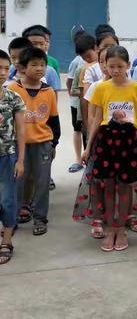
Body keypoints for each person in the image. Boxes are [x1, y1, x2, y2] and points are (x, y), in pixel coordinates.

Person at [80, 46, 137, 252]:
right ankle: (111, 227)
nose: (115, 70)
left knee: (125, 186)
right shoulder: (101, 89)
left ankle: (121, 228)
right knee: (109, 185)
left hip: (129, 142)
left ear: (128, 65)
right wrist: (88, 148)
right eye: (111, 66)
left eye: (120, 66)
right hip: (106, 141)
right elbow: (95, 119)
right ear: (105, 66)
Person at [8, 47, 60, 236]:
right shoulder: (13, 89)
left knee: (42, 182)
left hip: (42, 143)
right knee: (17, 182)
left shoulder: (49, 92)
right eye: (34, 65)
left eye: (43, 65)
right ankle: (11, 219)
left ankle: (40, 218)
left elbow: (54, 121)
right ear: (22, 67)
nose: (39, 69)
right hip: (17, 145)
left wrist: (53, 144)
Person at [0, 49, 25, 264]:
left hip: (7, 157)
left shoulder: (13, 97)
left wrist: (20, 160)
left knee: (8, 200)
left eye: (6, 68)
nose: (2, 72)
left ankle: (6, 240)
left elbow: (20, 131)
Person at [67, 31, 87, 173]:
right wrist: (73, 97)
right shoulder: (77, 62)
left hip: (90, 103)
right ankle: (78, 159)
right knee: (77, 129)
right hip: (77, 103)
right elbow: (69, 82)